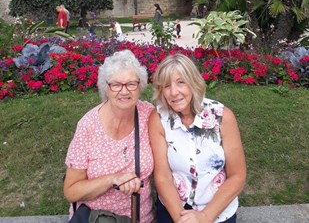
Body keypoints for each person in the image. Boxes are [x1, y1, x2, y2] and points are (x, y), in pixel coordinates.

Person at [149, 53, 246, 223]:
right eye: (166, 86)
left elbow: (237, 175)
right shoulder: (158, 118)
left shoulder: (222, 117)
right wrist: (182, 219)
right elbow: (162, 176)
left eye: (181, 82)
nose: (173, 92)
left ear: (193, 82)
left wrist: (205, 217)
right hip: (174, 210)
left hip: (217, 212)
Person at [64, 50, 155, 222]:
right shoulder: (88, 126)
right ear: (106, 87)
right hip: (96, 218)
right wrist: (112, 179)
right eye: (116, 85)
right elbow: (71, 191)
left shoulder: (148, 115)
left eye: (131, 84)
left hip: (140, 218)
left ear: (140, 85)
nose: (124, 91)